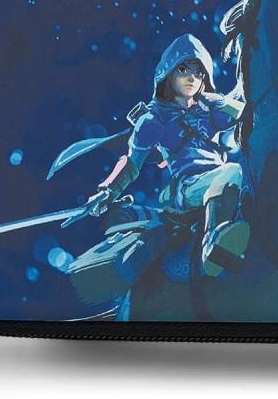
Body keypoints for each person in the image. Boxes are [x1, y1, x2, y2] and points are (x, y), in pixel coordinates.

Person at [87, 34, 248, 277]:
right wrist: (108, 191)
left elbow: (250, 114)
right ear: (168, 74)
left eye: (198, 72)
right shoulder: (153, 120)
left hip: (219, 180)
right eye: (183, 69)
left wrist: (231, 99)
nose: (192, 77)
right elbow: (132, 163)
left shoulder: (209, 107)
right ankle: (212, 244)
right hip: (186, 186)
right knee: (231, 171)